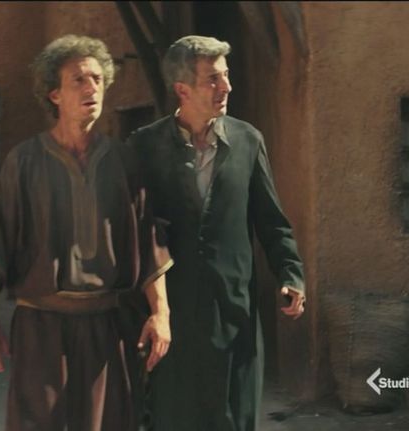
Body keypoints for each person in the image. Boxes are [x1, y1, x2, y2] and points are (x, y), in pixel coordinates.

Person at [0, 34, 172, 431]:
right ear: (54, 94)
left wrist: (160, 313)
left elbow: (149, 242)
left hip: (106, 327)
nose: (91, 88)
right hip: (41, 327)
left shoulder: (122, 161)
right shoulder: (24, 162)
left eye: (98, 79)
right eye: (79, 80)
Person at [127, 35, 306, 431]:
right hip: (173, 317)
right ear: (182, 90)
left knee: (234, 418)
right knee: (173, 419)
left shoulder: (247, 140)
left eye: (226, 75)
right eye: (213, 79)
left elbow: (271, 221)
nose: (226, 86)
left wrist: (291, 273)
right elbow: (133, 232)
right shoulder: (145, 147)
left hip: (234, 313)